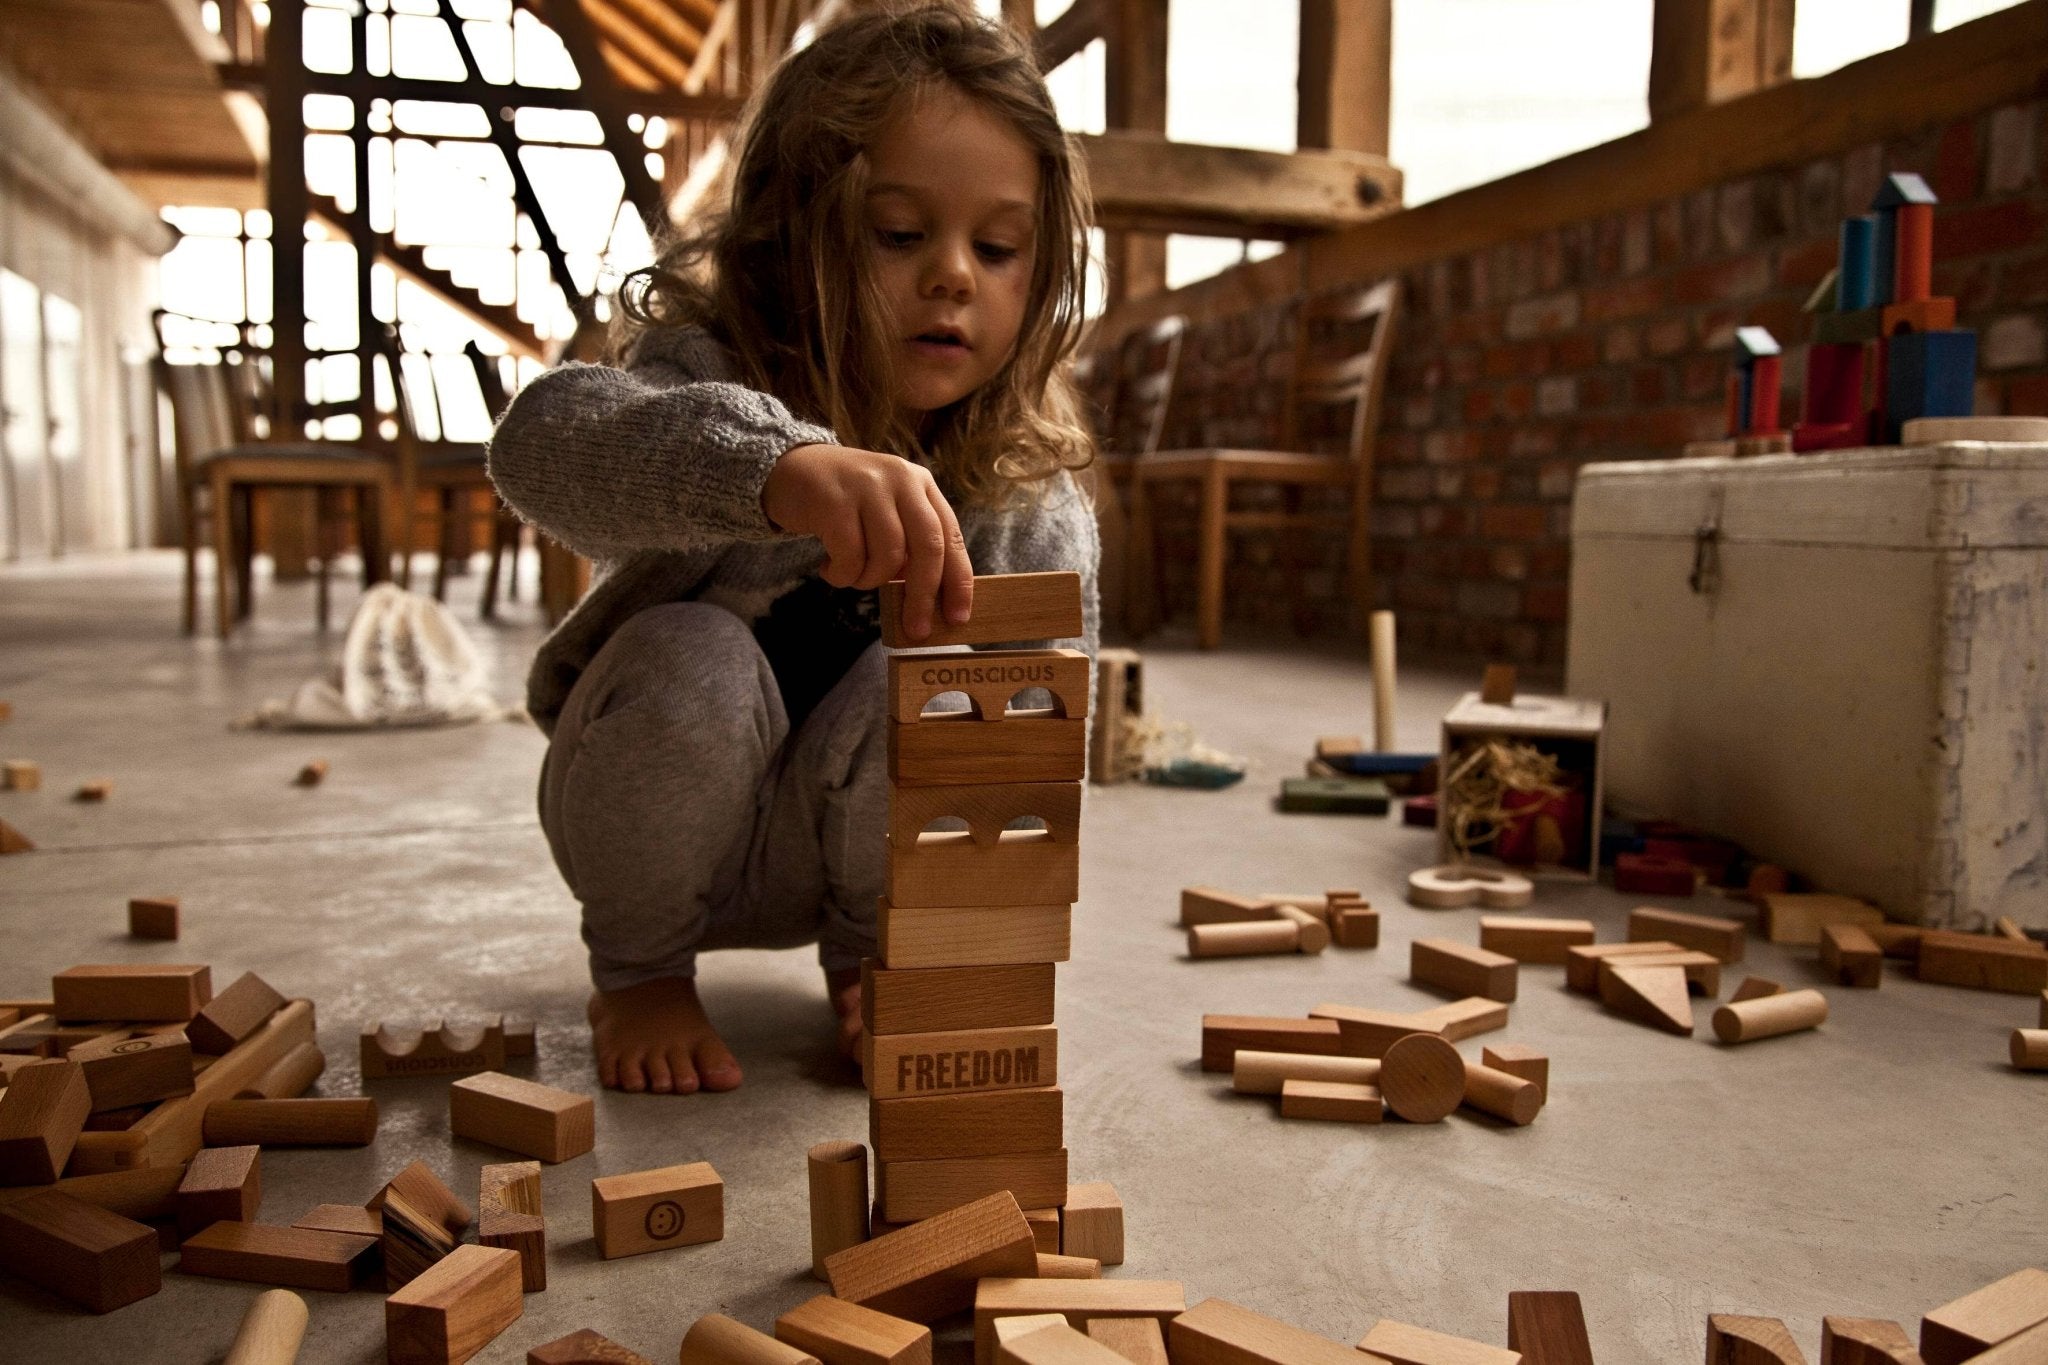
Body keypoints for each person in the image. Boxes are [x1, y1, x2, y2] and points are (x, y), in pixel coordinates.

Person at [488, 3, 1101, 1095]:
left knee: (948, 689)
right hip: (655, 824)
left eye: (998, 248)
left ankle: (874, 956)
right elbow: (540, 444)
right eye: (900, 234)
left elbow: (1034, 748)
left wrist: (959, 945)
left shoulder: (1021, 488)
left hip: (852, 855)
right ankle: (639, 974)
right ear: (788, 235)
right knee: (696, 654)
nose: (953, 275)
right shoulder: (709, 376)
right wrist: (771, 473)